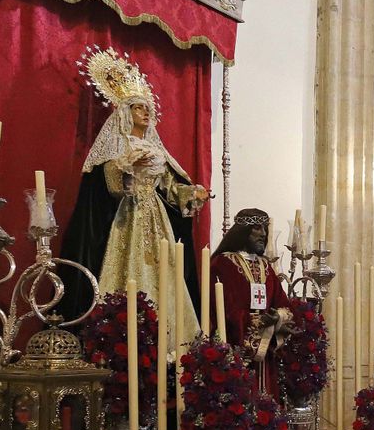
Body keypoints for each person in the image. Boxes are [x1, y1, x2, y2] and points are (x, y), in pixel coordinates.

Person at [61, 48, 208, 337]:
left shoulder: (156, 150)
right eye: (139, 108)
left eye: (147, 108)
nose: (146, 112)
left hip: (155, 216)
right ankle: (120, 332)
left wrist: (191, 194)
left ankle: (170, 335)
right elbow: (106, 185)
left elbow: (168, 186)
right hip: (127, 217)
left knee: (164, 270)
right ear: (125, 114)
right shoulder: (120, 147)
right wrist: (124, 167)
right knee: (126, 269)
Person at [212, 209, 295, 396]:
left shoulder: (265, 266)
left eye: (265, 228)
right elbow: (220, 309)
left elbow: (283, 303)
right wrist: (255, 322)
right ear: (243, 231)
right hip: (235, 349)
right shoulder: (223, 264)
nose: (263, 234)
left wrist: (278, 317)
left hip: (266, 356)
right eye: (257, 228)